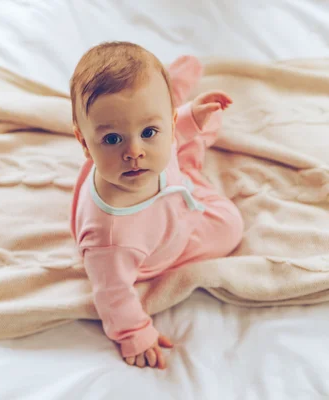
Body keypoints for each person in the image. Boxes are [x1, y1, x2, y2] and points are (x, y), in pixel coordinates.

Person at [69, 41, 244, 369]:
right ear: (84, 143)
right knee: (230, 225)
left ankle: (177, 101)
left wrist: (191, 118)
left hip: (168, 186)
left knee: (197, 124)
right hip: (167, 238)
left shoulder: (133, 158)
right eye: (111, 139)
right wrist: (134, 332)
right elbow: (113, 294)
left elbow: (158, 134)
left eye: (149, 131)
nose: (133, 151)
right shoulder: (111, 240)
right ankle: (184, 148)